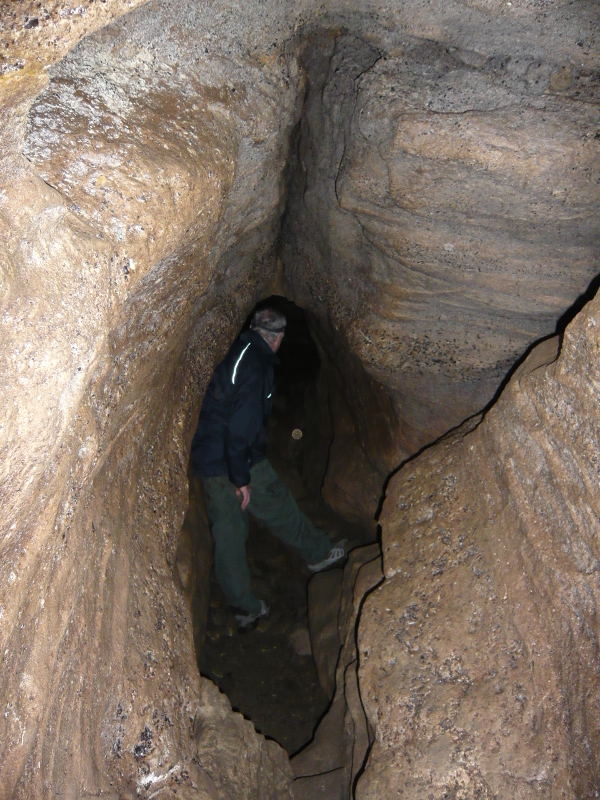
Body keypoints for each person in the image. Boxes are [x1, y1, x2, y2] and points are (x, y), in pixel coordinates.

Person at [191, 307, 345, 631]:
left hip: (209, 457)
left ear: (253, 327)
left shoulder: (240, 350)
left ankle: (244, 607)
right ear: (278, 339)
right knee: (278, 504)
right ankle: (317, 553)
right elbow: (240, 429)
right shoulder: (257, 364)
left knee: (229, 533)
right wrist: (241, 479)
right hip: (235, 457)